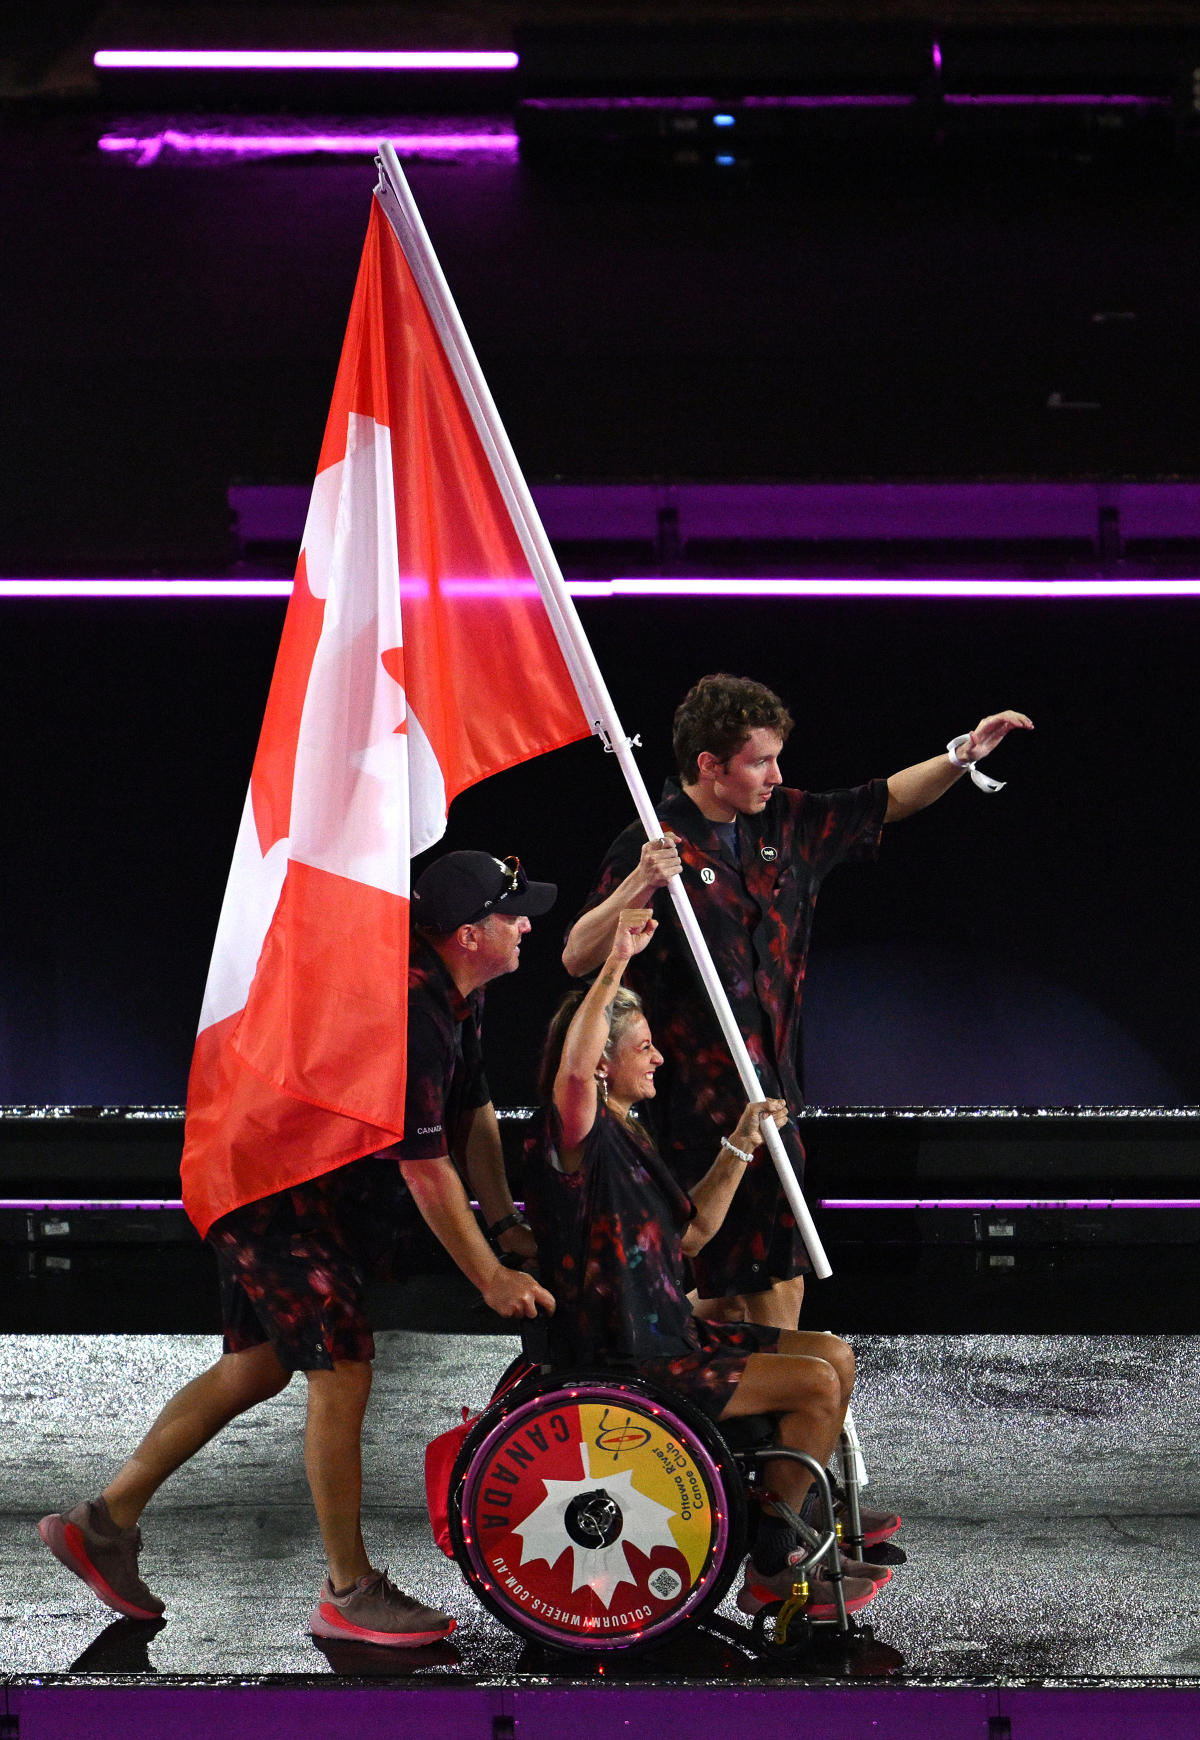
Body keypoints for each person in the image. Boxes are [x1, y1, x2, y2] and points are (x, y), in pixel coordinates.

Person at [39, 850, 557, 1649]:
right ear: (466, 934)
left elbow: (475, 1112)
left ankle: (102, 1523)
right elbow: (424, 1168)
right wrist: (489, 1274)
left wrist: (505, 1223)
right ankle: (349, 1592)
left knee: (258, 1364)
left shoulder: (458, 993)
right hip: (271, 1192)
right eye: (512, 913)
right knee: (342, 1368)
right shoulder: (410, 1013)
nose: (526, 923)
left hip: (277, 1179)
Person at [563, 673, 1033, 1332]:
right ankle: (662, 1386)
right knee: (698, 1289)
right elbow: (576, 955)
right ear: (710, 765)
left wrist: (961, 757)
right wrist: (639, 883)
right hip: (690, 1124)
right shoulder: (655, 840)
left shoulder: (790, 823)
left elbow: (887, 800)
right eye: (759, 760)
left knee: (778, 1287)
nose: (775, 774)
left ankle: (779, 1417)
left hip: (774, 1109)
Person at [526, 908, 891, 1619]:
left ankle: (799, 1522)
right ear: (602, 1063)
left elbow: (689, 1239)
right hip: (629, 1359)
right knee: (814, 1387)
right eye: (644, 1048)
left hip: (671, 1333)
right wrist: (613, 966)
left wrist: (741, 1142)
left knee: (835, 1357)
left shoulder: (630, 1132)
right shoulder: (575, 1137)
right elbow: (571, 1070)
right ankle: (772, 1563)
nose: (659, 1057)